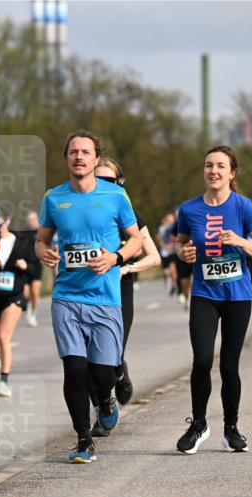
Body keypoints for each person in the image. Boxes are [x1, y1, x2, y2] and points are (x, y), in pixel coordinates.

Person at [35, 130, 143, 463]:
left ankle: (106, 402)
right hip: (66, 296)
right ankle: (83, 439)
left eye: (85, 152)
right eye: (73, 152)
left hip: (105, 298)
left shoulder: (116, 196)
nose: (79, 157)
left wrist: (115, 258)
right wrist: (44, 253)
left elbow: (136, 240)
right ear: (66, 158)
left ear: (96, 158)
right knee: (75, 369)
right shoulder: (54, 197)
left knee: (102, 375)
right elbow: (41, 240)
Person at [173, 146, 252, 455]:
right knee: (202, 360)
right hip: (204, 295)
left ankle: (231, 429)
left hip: (237, 297)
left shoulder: (243, 207)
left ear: (231, 173)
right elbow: (179, 244)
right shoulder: (189, 209)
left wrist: (240, 241)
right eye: (208, 165)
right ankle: (198, 425)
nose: (213, 171)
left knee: (229, 365)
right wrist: (183, 253)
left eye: (220, 166)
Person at [93, 156, 161, 410]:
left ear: (119, 183)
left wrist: (125, 268)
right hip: (87, 288)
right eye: (97, 180)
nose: (103, 185)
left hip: (120, 287)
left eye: (110, 181)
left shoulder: (129, 214)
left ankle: (119, 370)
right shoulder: (79, 212)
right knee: (88, 360)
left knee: (111, 355)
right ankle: (103, 412)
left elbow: (154, 257)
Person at [0, 212, 33, 398]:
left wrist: (25, 266)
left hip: (13, 294)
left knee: (3, 337)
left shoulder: (22, 241)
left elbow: (34, 268)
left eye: (1, 224)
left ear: (8, 221)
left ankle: (4, 381)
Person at [18, 210, 44, 327]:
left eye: (33, 219)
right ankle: (28, 309)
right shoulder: (23, 233)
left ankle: (34, 314)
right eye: (29, 219)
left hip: (36, 265)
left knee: (35, 291)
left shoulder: (42, 231)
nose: (31, 221)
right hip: (24, 266)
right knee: (26, 293)